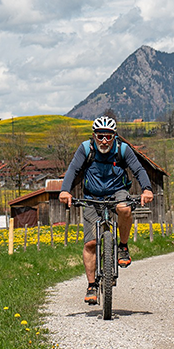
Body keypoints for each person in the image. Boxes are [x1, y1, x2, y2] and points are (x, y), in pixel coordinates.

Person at [59, 116, 154, 304]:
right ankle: (92, 285)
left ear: (114, 136)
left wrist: (147, 189)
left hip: (117, 192)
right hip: (92, 197)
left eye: (108, 137)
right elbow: (73, 169)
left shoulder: (122, 150)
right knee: (90, 244)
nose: (104, 140)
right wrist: (64, 191)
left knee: (125, 208)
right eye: (100, 136)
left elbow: (139, 170)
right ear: (94, 136)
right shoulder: (86, 149)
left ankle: (123, 247)